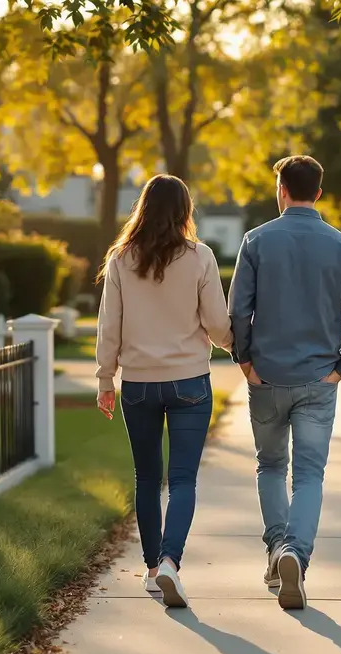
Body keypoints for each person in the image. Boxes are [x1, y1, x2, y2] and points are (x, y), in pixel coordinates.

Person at [228, 155, 341, 610]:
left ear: (282, 191)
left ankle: (276, 549)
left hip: (267, 377)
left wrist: (245, 361)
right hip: (318, 379)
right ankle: (296, 553)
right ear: (320, 194)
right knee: (309, 474)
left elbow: (237, 312)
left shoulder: (256, 241)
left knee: (270, 466)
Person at [95, 174, 233, 609]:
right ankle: (172, 560)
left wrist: (104, 378)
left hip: (138, 385)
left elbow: (108, 326)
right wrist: (235, 346)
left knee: (146, 478)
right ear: (184, 211)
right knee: (183, 478)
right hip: (190, 381)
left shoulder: (120, 259)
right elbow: (216, 323)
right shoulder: (200, 257)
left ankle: (153, 570)